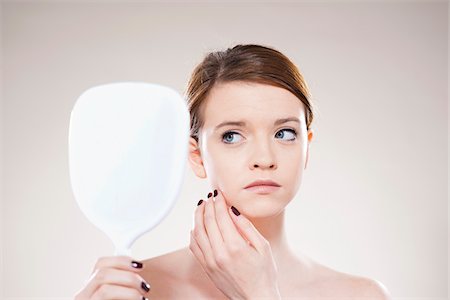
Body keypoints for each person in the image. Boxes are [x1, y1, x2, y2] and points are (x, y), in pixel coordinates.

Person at [74, 44, 392, 299]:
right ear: (196, 155)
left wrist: (260, 295)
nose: (264, 158)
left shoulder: (360, 295)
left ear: (306, 148)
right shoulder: (133, 289)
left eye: (284, 133)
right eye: (232, 136)